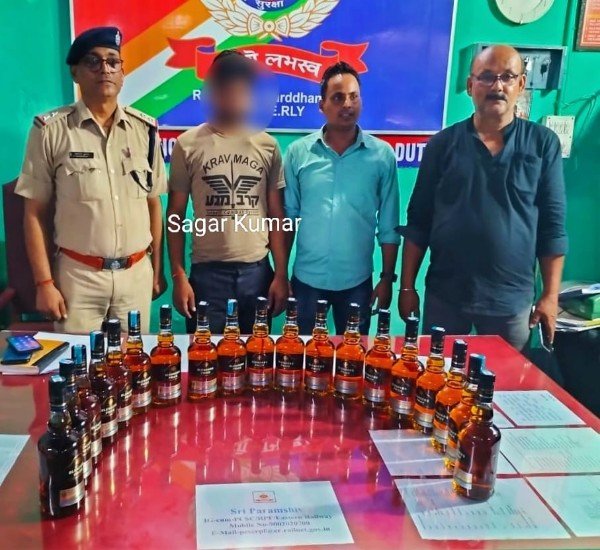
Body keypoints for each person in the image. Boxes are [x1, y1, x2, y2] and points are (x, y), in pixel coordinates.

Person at [398, 45, 568, 351]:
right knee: (437, 374)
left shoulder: (543, 144)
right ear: (470, 85)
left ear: (521, 84)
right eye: (487, 77)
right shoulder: (442, 145)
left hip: (511, 302)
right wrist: (407, 287)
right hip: (446, 296)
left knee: (506, 380)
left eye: (507, 77)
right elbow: (418, 221)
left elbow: (552, 226)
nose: (497, 86)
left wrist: (550, 295)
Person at [16, 27, 167, 334]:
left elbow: (153, 204)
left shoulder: (145, 131)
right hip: (78, 277)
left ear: (122, 72)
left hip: (136, 275)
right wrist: (44, 283)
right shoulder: (51, 131)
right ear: (76, 73)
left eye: (113, 61)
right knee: (78, 362)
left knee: (133, 360)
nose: (105, 69)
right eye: (93, 61)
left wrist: (156, 271)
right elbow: (33, 213)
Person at [167, 50, 288, 333]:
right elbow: (175, 215)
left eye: (241, 91)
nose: (234, 98)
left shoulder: (267, 145)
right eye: (226, 90)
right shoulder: (188, 144)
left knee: (256, 356)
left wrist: (281, 274)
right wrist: (179, 276)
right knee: (205, 355)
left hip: (257, 274)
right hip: (207, 277)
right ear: (213, 93)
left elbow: (277, 215)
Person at [284, 62, 400, 335]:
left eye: (353, 96)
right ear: (321, 105)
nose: (347, 104)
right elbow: (288, 217)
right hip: (307, 281)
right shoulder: (298, 153)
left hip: (356, 283)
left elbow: (389, 226)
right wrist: (280, 274)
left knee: (352, 355)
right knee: (304, 355)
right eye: (337, 97)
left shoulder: (382, 156)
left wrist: (387, 278)